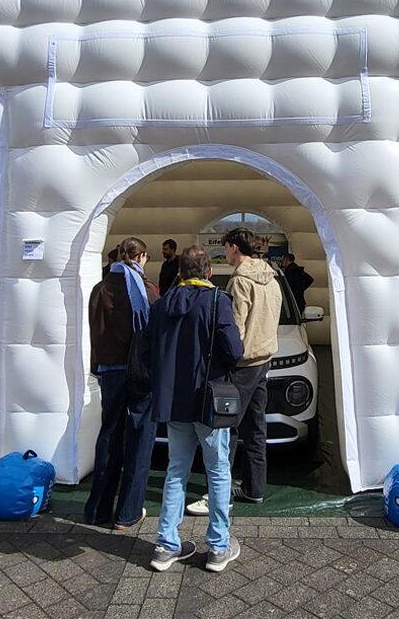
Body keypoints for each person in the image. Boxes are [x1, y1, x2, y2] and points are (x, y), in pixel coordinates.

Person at [137, 244, 243, 573]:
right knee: (218, 470)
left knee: (175, 471)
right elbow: (234, 350)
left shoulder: (162, 304)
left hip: (173, 401)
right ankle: (218, 546)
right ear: (208, 271)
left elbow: (147, 350)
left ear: (180, 272)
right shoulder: (217, 301)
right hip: (209, 401)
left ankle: (166, 546)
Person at [187, 227, 279, 515]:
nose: (224, 253)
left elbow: (233, 329)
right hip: (264, 360)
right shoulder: (271, 277)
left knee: (226, 430)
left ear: (234, 248)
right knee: (256, 428)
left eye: (225, 247)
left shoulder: (240, 281)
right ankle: (254, 488)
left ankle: (220, 495)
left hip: (242, 365)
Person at [85, 237, 160, 530]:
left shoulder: (99, 289)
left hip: (109, 372)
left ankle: (97, 509)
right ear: (140, 257)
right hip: (140, 373)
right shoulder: (147, 290)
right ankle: (128, 512)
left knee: (109, 434)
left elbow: (94, 332)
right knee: (141, 438)